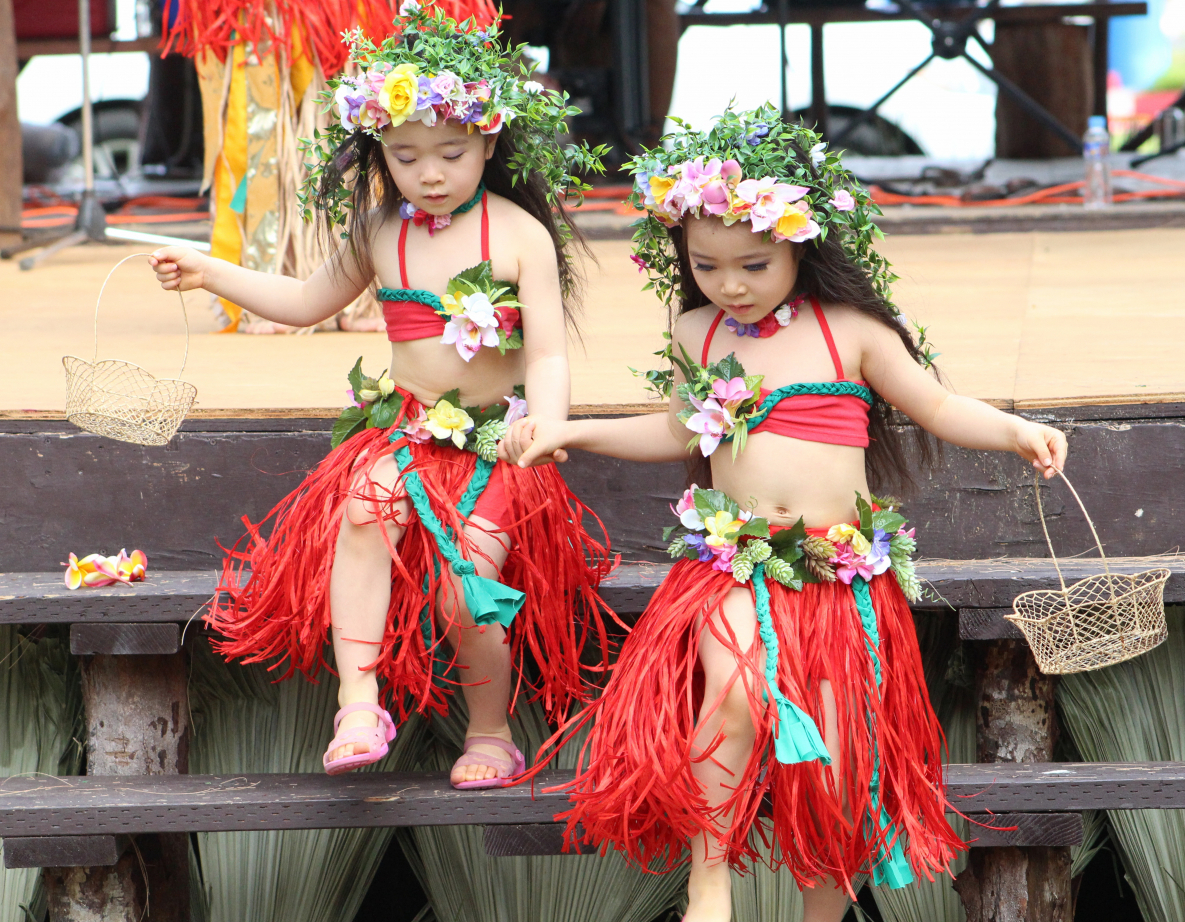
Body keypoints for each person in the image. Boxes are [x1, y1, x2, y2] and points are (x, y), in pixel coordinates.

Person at [503, 105, 1068, 921]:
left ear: (799, 241)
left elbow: (938, 407)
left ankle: (821, 911)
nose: (729, 284)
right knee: (731, 691)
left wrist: (1015, 429)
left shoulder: (853, 333)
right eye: (707, 265)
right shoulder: (698, 332)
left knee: (834, 760)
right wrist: (571, 429)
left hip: (837, 578)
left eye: (752, 264)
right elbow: (676, 429)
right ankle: (708, 882)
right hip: (733, 562)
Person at [147, 5, 615, 787]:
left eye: (451, 153)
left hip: (499, 443)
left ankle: (491, 731)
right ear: (380, 153)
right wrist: (210, 270)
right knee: (364, 510)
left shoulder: (520, 235)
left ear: (489, 142)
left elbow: (548, 354)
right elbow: (304, 300)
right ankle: (358, 699)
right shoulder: (380, 232)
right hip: (407, 431)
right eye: (405, 156)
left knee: (468, 579)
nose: (429, 173)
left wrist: (551, 425)